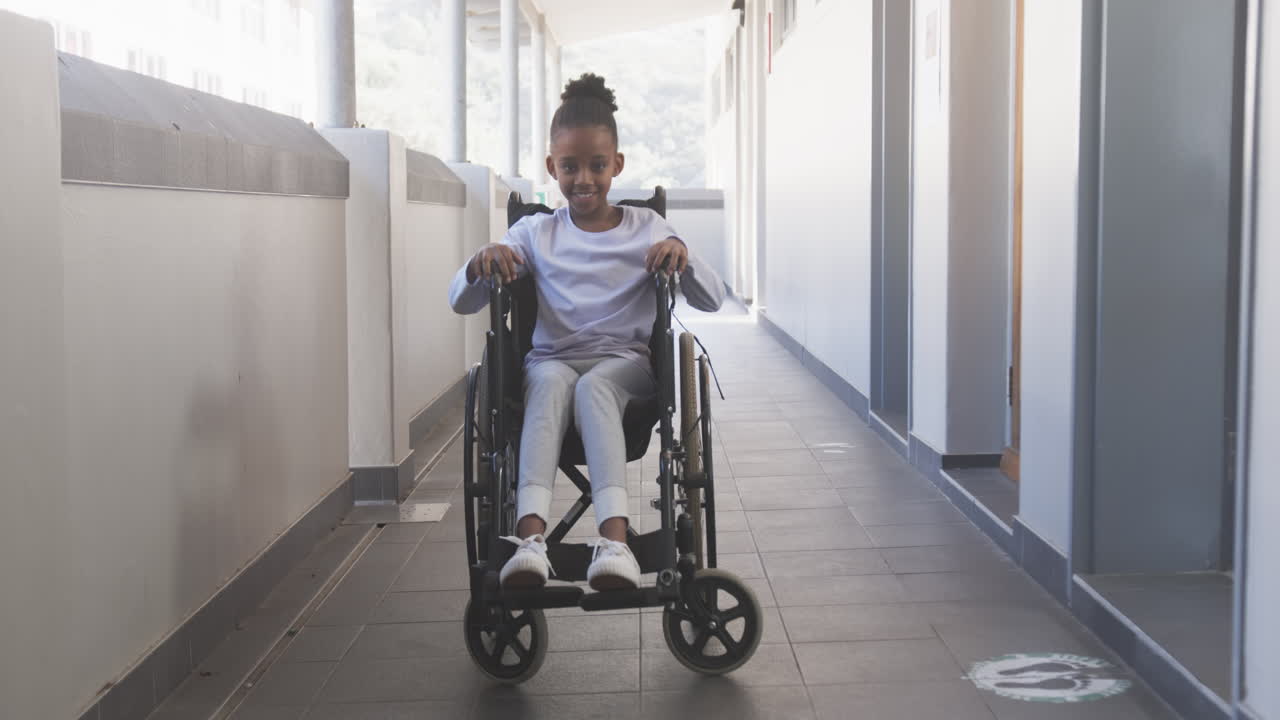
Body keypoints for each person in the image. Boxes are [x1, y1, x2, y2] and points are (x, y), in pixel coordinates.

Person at [448, 73, 725, 592]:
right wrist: (478, 263)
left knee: (594, 386)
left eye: (597, 166)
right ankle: (529, 543)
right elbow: (461, 302)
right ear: (552, 167)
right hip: (551, 363)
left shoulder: (646, 226)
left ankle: (613, 543)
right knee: (551, 382)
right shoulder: (535, 232)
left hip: (625, 368)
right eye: (569, 167)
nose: (584, 179)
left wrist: (682, 257)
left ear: (616, 165)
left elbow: (712, 298)